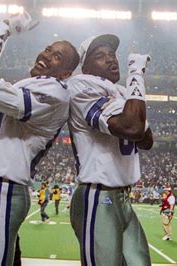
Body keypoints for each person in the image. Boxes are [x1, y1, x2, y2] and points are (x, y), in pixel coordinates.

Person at [0, 12, 80, 265]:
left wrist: (4, 28)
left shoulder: (56, 93)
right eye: (47, 49)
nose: (46, 55)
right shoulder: (27, 84)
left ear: (66, 74)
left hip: (5, 190)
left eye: (57, 56)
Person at [67, 34, 154, 265]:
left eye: (112, 54)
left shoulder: (121, 92)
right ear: (85, 67)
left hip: (123, 197)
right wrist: (136, 74)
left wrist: (130, 99)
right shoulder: (81, 84)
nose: (110, 59)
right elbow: (134, 128)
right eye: (100, 56)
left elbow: (147, 141)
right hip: (98, 195)